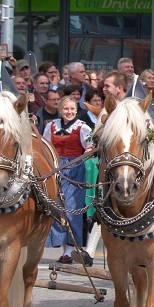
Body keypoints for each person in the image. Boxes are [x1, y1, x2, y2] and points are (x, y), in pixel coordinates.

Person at [43, 96, 93, 265]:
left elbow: (89, 147)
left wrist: (86, 153)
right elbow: (46, 146)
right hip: (56, 168)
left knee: (72, 209)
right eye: (66, 109)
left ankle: (70, 250)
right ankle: (62, 246)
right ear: (60, 110)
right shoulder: (51, 126)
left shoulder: (83, 127)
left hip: (74, 170)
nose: (69, 112)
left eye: (72, 109)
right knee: (57, 208)